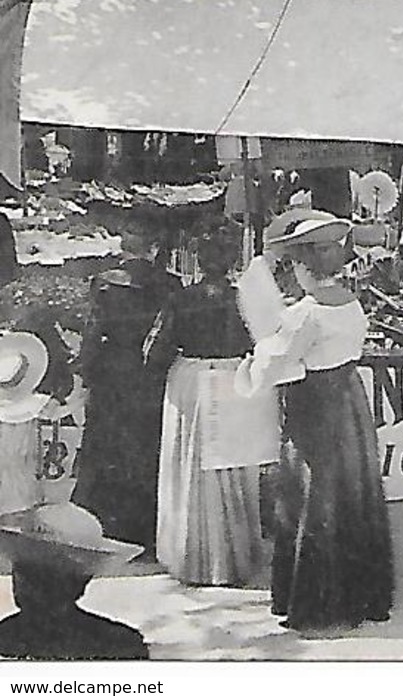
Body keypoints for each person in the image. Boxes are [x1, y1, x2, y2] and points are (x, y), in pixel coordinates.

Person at [238, 211, 393, 632]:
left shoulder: (305, 313)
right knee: (351, 493)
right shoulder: (351, 302)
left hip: (315, 404)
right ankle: (360, 591)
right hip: (348, 397)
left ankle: (317, 598)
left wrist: (254, 362)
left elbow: (278, 360)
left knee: (311, 495)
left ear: (304, 267)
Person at [147, 222, 274, 587]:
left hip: (192, 379)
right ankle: (236, 557)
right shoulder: (246, 299)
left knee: (193, 466)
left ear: (199, 259)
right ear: (234, 259)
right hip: (236, 377)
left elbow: (154, 352)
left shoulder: (180, 299)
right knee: (234, 468)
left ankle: (193, 556)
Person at [72, 214, 179, 550]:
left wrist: (84, 371)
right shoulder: (171, 284)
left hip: (112, 371)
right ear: (156, 247)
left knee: (106, 443)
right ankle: (146, 526)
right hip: (151, 371)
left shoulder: (104, 281)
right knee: (147, 446)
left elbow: (94, 332)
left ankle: (103, 522)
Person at [0, 503, 147, 660]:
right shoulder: (120, 641)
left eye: (45, 581)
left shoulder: (120, 644)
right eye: (23, 572)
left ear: (78, 585)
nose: (24, 586)